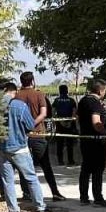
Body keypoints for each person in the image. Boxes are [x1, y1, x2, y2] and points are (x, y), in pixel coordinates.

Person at [0, 81, 47, 212]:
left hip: (2, 148)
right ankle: (40, 206)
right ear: (14, 92)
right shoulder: (20, 106)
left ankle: (13, 210)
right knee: (31, 177)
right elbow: (30, 125)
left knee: (8, 181)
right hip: (20, 148)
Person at [15, 72, 66, 202]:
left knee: (23, 165)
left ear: (21, 82)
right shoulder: (39, 94)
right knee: (45, 165)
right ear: (32, 81)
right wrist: (32, 124)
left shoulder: (17, 96)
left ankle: (26, 193)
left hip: (23, 135)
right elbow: (43, 114)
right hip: (38, 134)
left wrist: (25, 126)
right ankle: (55, 192)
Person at [77, 79, 106, 207]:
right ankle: (98, 197)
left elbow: (77, 118)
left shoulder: (82, 101)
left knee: (86, 168)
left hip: (85, 139)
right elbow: (96, 122)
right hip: (96, 141)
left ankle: (83, 197)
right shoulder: (95, 103)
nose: (105, 93)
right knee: (97, 170)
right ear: (100, 90)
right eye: (105, 90)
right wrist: (105, 134)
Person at [51, 84, 78, 165]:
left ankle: (60, 161)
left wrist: (59, 121)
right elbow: (74, 112)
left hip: (60, 124)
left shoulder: (56, 100)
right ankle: (71, 160)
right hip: (70, 124)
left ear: (59, 91)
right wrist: (70, 122)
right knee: (70, 142)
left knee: (60, 143)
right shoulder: (71, 100)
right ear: (67, 91)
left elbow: (53, 112)